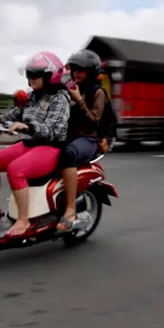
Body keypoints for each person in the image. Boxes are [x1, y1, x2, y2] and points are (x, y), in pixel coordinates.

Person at [0, 51, 71, 238]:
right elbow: (9, 116)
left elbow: (53, 129)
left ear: (50, 76)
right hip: (30, 144)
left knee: (15, 169)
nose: (30, 79)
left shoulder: (60, 98)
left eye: (35, 75)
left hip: (50, 147)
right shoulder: (32, 97)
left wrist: (27, 127)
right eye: (29, 74)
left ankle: (23, 220)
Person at [56, 50, 108, 232]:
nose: (76, 73)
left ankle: (70, 209)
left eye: (81, 70)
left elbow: (95, 119)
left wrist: (79, 101)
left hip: (88, 139)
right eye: (74, 69)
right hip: (68, 136)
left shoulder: (97, 92)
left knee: (68, 154)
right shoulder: (67, 89)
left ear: (91, 71)